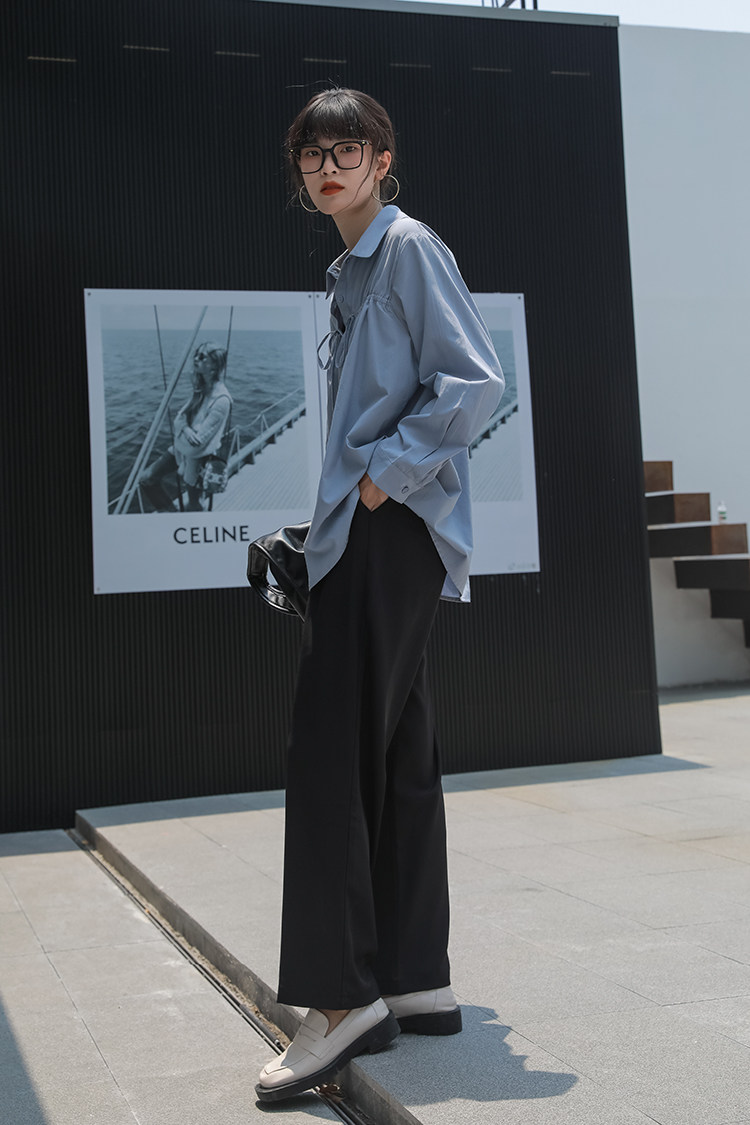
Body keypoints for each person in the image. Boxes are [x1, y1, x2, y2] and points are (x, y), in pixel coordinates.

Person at [256, 89, 504, 1103]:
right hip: (377, 531)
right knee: (396, 751)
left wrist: (376, 482)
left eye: (347, 149)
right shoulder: (354, 265)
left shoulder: (405, 249)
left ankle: (338, 1000)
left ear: (383, 158)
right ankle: (411, 979)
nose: (328, 167)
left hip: (387, 527)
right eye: (312, 153)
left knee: (330, 757)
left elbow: (475, 381)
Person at [139, 342, 231, 512]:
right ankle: (173, 516)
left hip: (198, 462)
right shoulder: (201, 389)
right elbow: (179, 419)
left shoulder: (221, 400)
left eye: (202, 357)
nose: (196, 359)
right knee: (147, 479)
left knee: (194, 505)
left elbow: (196, 446)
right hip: (180, 451)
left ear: (215, 365)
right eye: (196, 354)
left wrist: (181, 432)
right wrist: (187, 430)